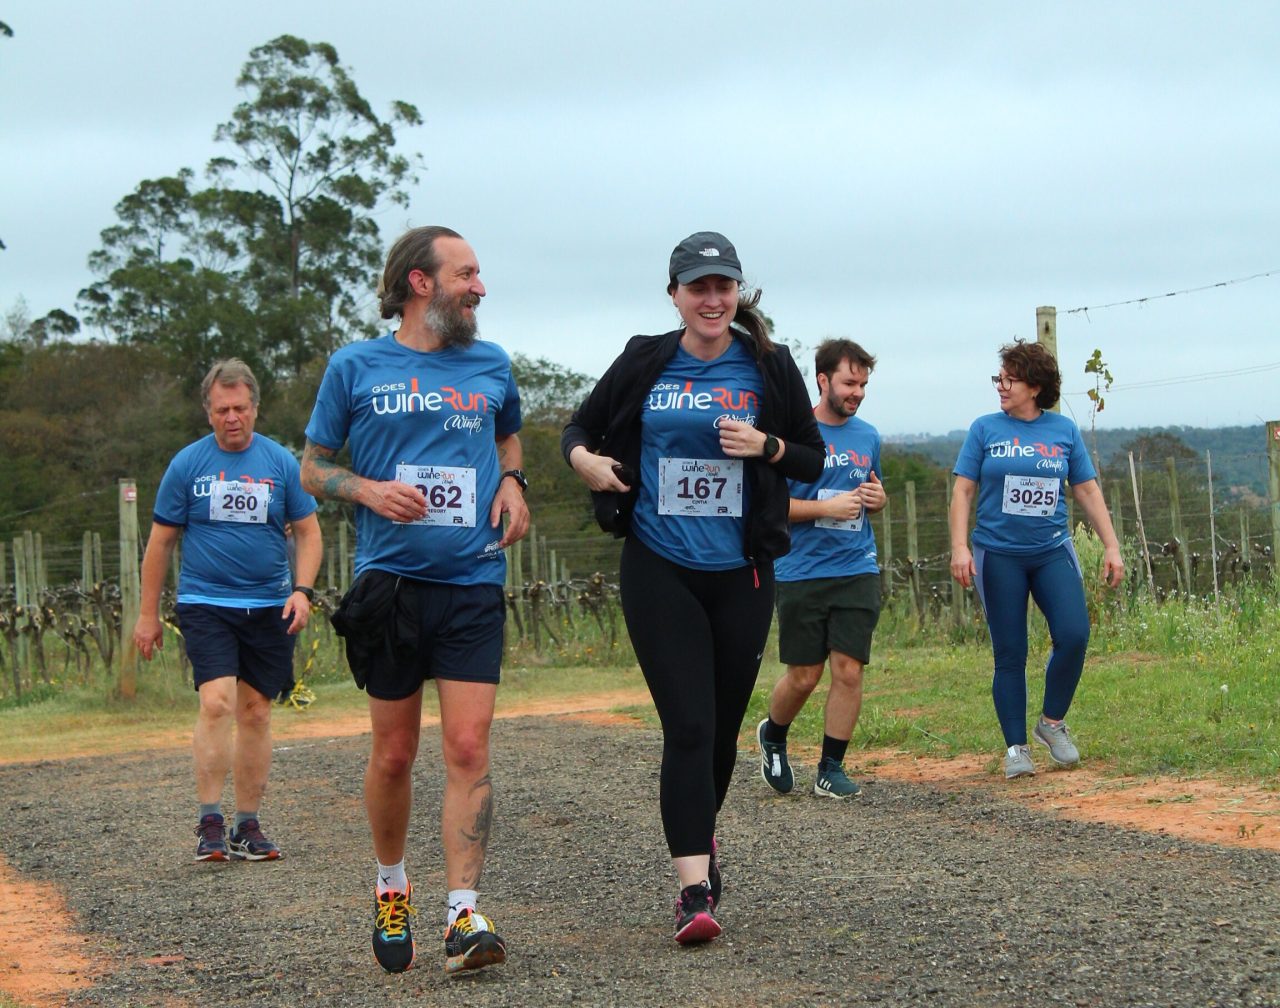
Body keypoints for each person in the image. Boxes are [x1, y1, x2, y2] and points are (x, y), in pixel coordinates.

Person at [561, 231, 824, 944]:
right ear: (674, 294)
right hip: (659, 563)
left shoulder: (769, 365)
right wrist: (585, 460)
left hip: (742, 572)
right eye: (698, 287)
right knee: (688, 725)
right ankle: (692, 892)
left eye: (723, 287)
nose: (712, 299)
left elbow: (810, 455)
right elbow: (579, 426)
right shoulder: (646, 357)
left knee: (720, 734)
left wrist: (765, 446)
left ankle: (702, 844)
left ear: (738, 293)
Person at [301, 225, 529, 976]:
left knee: (467, 747)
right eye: (467, 273)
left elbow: (509, 437)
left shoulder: (491, 364)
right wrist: (364, 489)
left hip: (472, 582)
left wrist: (512, 482)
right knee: (394, 755)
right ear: (421, 283)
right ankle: (391, 885)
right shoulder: (355, 366)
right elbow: (311, 467)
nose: (480, 287)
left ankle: (464, 913)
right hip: (390, 588)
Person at [132, 359, 322, 863]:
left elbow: (308, 532)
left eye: (240, 408)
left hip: (269, 605)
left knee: (256, 711)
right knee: (217, 702)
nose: (231, 417)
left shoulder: (282, 464)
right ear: (208, 412)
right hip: (206, 602)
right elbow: (160, 543)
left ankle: (247, 825)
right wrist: (147, 615)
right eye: (222, 409)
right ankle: (209, 822)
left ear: (255, 409)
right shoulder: (187, 466)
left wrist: (302, 591)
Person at [948, 339, 1124, 780]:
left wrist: (1111, 545)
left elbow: (1085, 489)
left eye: (1009, 378)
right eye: (999, 378)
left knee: (1075, 634)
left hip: (1050, 552)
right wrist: (960, 547)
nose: (1001, 386)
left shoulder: (1062, 431)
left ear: (1035, 385)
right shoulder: (984, 429)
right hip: (998, 555)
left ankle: (1051, 723)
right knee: (1011, 653)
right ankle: (1015, 749)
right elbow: (963, 490)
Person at [757, 339, 886, 800]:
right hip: (800, 570)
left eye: (864, 384)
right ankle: (773, 734)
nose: (858, 392)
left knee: (849, 669)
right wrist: (823, 506)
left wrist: (879, 499)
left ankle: (831, 767)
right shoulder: (792, 435)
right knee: (804, 675)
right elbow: (770, 507)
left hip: (857, 566)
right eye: (851, 382)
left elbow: (874, 489)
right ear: (823, 380)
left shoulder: (868, 436)